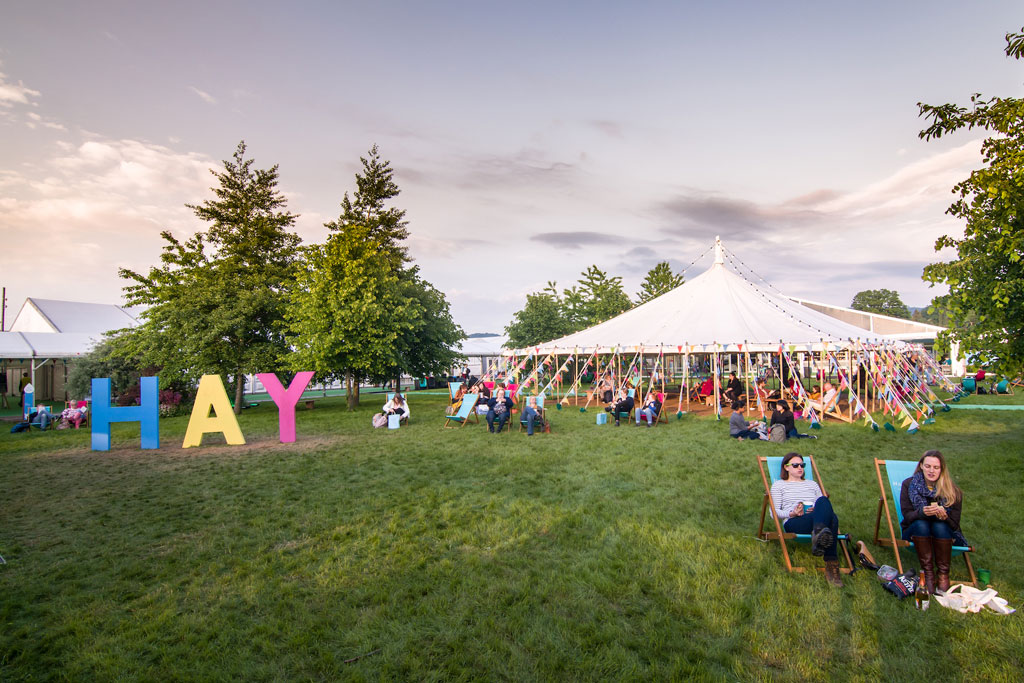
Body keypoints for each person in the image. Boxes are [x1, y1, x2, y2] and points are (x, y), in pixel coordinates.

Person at [770, 452, 843, 586]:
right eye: (795, 465)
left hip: (814, 519)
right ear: (786, 467)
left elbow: (823, 506)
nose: (800, 468)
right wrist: (792, 513)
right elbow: (773, 512)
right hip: (795, 522)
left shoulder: (812, 484)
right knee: (832, 518)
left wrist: (816, 510)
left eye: (802, 465)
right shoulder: (779, 485)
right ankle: (832, 565)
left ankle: (819, 535)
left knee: (823, 500)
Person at [900, 450, 965, 594]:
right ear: (921, 466)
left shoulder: (952, 491)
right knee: (922, 523)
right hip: (915, 531)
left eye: (936, 467)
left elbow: (955, 525)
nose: (931, 471)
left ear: (942, 469)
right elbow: (907, 516)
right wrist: (921, 512)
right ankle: (928, 574)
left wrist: (945, 517)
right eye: (928, 466)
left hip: (944, 533)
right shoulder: (909, 485)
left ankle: (943, 575)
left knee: (940, 525)